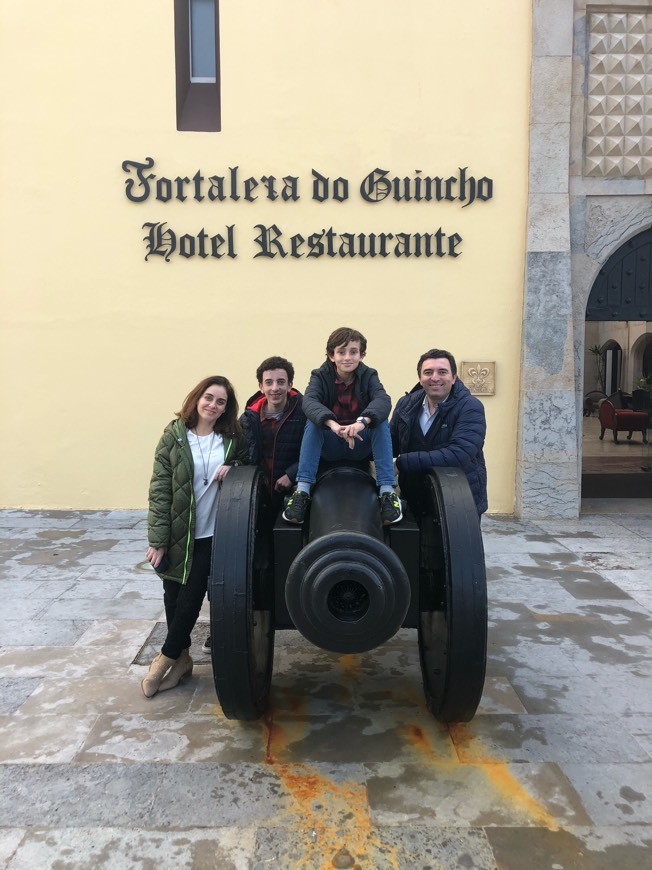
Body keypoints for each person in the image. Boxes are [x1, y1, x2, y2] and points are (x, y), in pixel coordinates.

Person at [142, 376, 249, 698]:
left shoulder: (231, 439)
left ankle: (164, 659)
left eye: (221, 402)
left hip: (213, 532)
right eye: (209, 398)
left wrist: (234, 465)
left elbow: (246, 464)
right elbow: (160, 488)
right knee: (172, 597)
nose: (213, 405)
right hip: (178, 532)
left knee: (190, 599)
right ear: (197, 398)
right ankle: (184, 660)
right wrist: (157, 539)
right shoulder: (174, 437)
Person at [283, 326, 402, 525]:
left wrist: (361, 422)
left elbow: (382, 400)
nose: (347, 357)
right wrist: (332, 424)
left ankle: (387, 493)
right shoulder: (319, 376)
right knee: (314, 424)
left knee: (379, 423)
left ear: (362, 355)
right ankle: (302, 491)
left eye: (353, 352)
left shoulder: (369, 375)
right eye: (341, 352)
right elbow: (310, 402)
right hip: (332, 442)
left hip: (359, 441)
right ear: (331, 355)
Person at [390, 349, 487, 518]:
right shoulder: (405, 404)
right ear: (420, 379)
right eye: (428, 372)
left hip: (457, 502)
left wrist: (402, 463)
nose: (435, 378)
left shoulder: (470, 407)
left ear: (454, 377)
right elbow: (391, 444)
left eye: (442, 372)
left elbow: (459, 453)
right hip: (414, 500)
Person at [240, 355, 306, 514]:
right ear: (261, 387)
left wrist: (291, 474)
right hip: (256, 499)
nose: (275, 388)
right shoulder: (248, 419)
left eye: (281, 382)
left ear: (290, 385)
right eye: (269, 382)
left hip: (293, 498)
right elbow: (239, 454)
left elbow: (318, 450)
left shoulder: (305, 413)